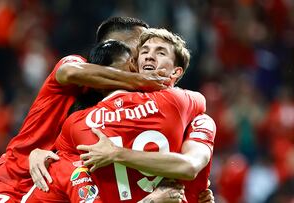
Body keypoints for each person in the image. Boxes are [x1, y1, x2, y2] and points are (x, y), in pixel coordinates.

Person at [0, 17, 170, 203]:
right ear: (115, 45)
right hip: (16, 181)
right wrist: (141, 81)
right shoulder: (76, 67)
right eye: (142, 45)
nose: (147, 55)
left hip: (65, 185)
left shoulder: (130, 102)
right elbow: (69, 71)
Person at [25, 28, 215, 203]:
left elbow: (61, 163)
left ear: (176, 71)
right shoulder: (187, 103)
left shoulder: (78, 122)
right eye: (145, 51)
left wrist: (37, 153)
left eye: (160, 52)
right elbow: (190, 168)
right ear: (134, 65)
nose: (149, 56)